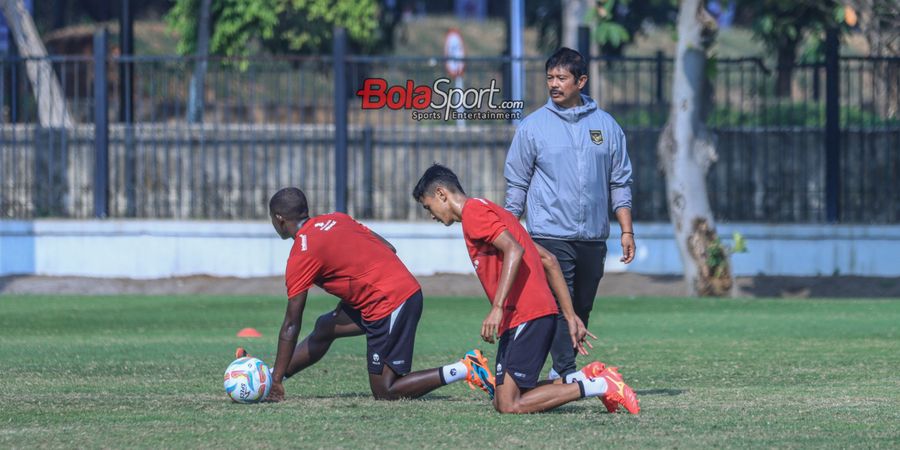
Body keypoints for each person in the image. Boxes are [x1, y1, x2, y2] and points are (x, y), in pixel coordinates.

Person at [413, 164, 639, 414]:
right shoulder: (493, 210)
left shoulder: (474, 213)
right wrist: (569, 314)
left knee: (510, 404)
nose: (431, 215)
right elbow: (548, 260)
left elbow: (514, 250)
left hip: (528, 314)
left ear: (442, 194)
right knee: (503, 400)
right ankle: (582, 379)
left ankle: (601, 385)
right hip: (529, 315)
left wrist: (497, 308)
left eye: (428, 206)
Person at [242, 187, 495, 402]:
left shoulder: (301, 253)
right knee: (326, 327)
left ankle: (465, 368)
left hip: (391, 302)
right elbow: (388, 247)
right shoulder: (336, 219)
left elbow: (291, 324)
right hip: (392, 292)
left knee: (385, 390)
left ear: (279, 219)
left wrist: (275, 383)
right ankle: (273, 374)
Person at [504, 47, 636, 382]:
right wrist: (506, 229)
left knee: (582, 307)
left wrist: (626, 231)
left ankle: (554, 374)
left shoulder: (606, 126)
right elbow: (517, 184)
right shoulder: (533, 127)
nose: (554, 84)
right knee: (561, 310)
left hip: (593, 237)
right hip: (549, 234)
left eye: (561, 77)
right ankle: (566, 373)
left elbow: (620, 181)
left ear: (581, 81)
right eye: (550, 77)